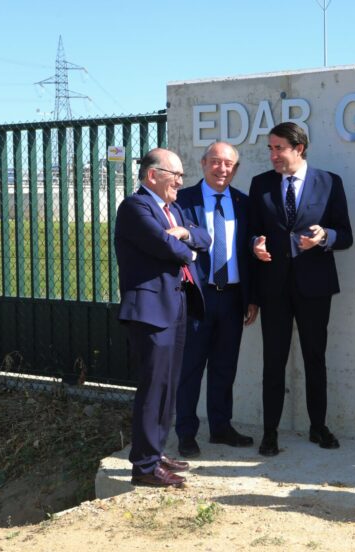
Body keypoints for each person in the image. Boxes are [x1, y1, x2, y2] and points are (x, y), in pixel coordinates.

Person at [249, 122, 353, 456]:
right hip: (274, 287)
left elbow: (345, 234)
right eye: (270, 148)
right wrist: (255, 245)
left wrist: (325, 238)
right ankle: (270, 433)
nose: (273, 155)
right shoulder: (261, 184)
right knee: (273, 361)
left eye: (279, 148)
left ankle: (318, 427)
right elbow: (251, 232)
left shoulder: (328, 182)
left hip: (315, 286)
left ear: (299, 148)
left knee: (314, 358)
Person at [114, 148, 211, 487]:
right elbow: (165, 248)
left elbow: (204, 236)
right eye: (176, 175)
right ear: (153, 175)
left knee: (168, 385)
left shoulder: (173, 209)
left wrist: (185, 235)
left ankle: (154, 451)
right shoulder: (135, 207)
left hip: (177, 305)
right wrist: (188, 249)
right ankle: (144, 467)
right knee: (153, 387)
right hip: (151, 311)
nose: (181, 182)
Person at [175, 141, 258, 458]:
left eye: (229, 164)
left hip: (234, 298)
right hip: (197, 298)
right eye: (216, 162)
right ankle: (186, 432)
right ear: (203, 162)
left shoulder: (243, 203)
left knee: (225, 368)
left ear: (236, 169)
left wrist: (252, 298)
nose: (222, 169)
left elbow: (248, 252)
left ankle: (221, 428)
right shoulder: (183, 201)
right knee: (190, 368)